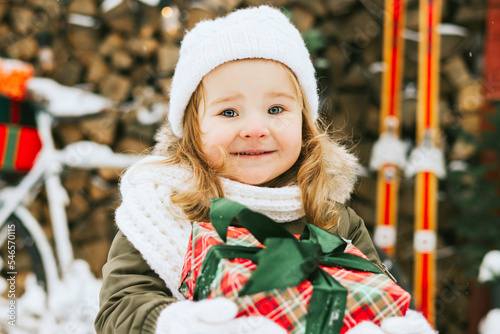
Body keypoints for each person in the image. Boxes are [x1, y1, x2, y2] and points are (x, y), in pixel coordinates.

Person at [95, 5, 391, 334]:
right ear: (193, 129)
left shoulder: (332, 218)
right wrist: (179, 324)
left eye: (275, 108)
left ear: (305, 123)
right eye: (229, 112)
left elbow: (380, 300)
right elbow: (119, 309)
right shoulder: (162, 211)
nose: (254, 128)